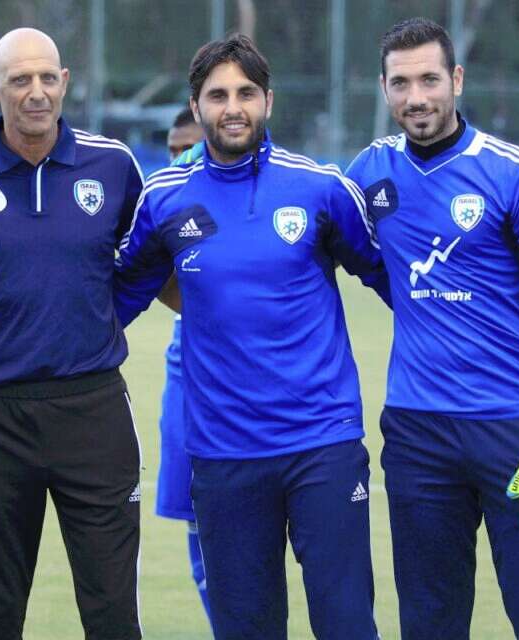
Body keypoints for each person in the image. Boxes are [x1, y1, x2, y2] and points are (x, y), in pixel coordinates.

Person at [114, 34, 387, 639]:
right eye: (217, 96)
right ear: (196, 105)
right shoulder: (164, 198)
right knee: (245, 628)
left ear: (268, 100)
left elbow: (394, 280)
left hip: (322, 444)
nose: (232, 107)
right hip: (224, 454)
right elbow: (113, 303)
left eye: (245, 93)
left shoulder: (320, 188)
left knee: (346, 622)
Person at [345, 18, 519, 640]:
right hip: (417, 431)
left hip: (515, 433)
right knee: (429, 622)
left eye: (429, 79)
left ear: (456, 79)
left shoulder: (516, 173)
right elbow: (350, 253)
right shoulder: (369, 172)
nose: (416, 97)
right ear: (384, 89)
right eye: (401, 84)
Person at [0, 28, 144, 639]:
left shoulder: (114, 166)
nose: (37, 92)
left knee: (113, 618)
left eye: (48, 77)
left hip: (93, 413)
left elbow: (156, 269)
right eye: (20, 80)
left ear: (65, 82)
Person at [155, 108, 212, 626]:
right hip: (186, 367)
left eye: (188, 148)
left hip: (249, 376)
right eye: (172, 150)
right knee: (199, 528)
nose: (179, 158)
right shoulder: (164, 202)